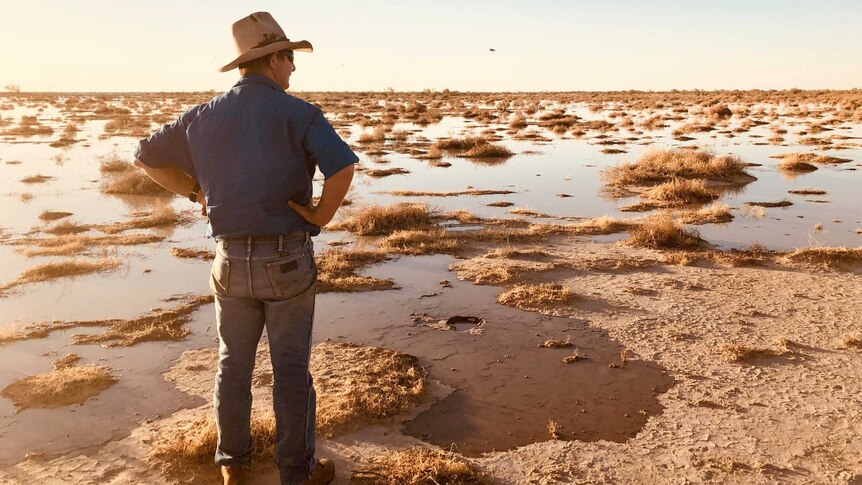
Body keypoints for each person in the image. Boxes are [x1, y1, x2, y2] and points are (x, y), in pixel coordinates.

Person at [134, 11, 357, 485]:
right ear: (273, 58)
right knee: (291, 370)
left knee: (232, 365)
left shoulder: (203, 115)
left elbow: (145, 156)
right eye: (290, 58)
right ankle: (296, 472)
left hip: (229, 262)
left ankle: (233, 468)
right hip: (288, 260)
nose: (294, 68)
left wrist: (197, 193)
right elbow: (341, 168)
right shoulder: (299, 112)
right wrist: (319, 216)